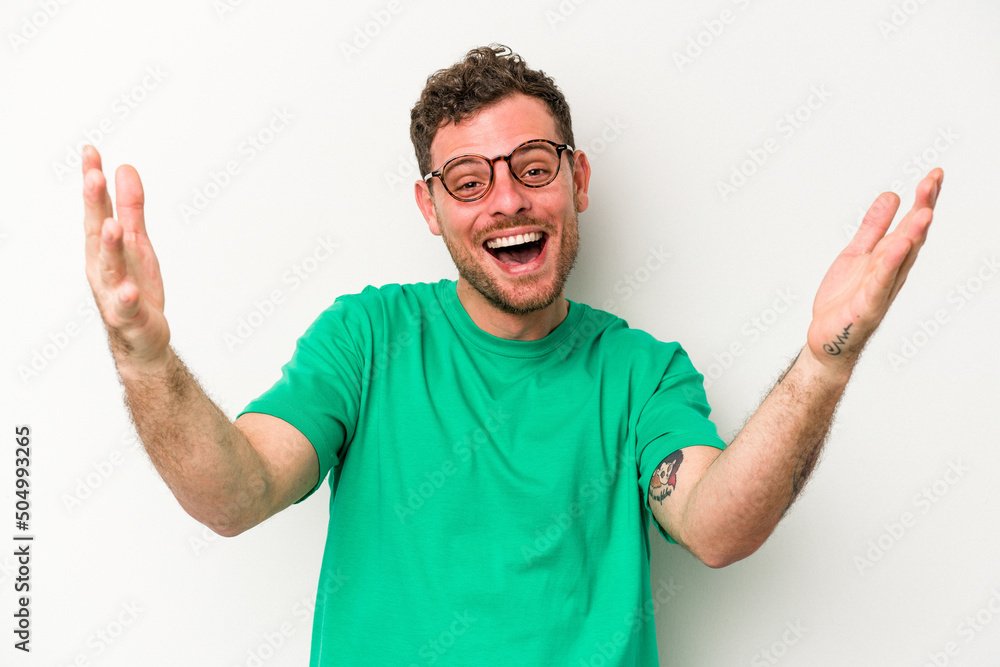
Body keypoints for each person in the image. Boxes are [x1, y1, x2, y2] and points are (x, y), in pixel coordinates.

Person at [81, 45, 943, 665]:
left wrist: (827, 360)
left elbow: (716, 525)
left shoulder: (641, 372)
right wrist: (144, 356)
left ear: (578, 180)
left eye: (532, 165)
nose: (505, 200)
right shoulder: (367, 338)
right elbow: (238, 493)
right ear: (431, 207)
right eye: (468, 181)